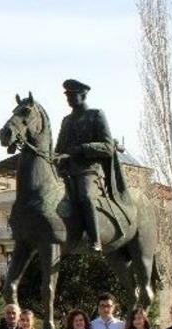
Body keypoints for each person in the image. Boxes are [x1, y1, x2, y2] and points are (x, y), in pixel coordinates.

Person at [54, 78, 127, 252]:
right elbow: (59, 148)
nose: (69, 99)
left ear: (83, 95)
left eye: (72, 95)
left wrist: (81, 149)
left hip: (90, 171)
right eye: (67, 96)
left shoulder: (96, 115)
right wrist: (56, 157)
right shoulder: (66, 121)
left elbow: (108, 147)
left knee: (85, 196)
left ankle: (95, 240)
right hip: (68, 171)